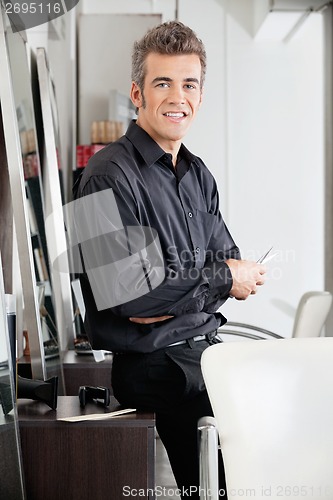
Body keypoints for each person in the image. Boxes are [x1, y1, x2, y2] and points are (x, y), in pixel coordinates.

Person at [73, 21, 266, 499]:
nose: (178, 96)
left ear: (200, 95)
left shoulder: (198, 174)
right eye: (163, 83)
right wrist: (214, 279)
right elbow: (128, 298)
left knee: (286, 409)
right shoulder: (103, 176)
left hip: (205, 349)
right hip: (156, 366)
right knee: (237, 471)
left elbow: (229, 259)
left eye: (189, 83)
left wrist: (185, 287)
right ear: (137, 93)